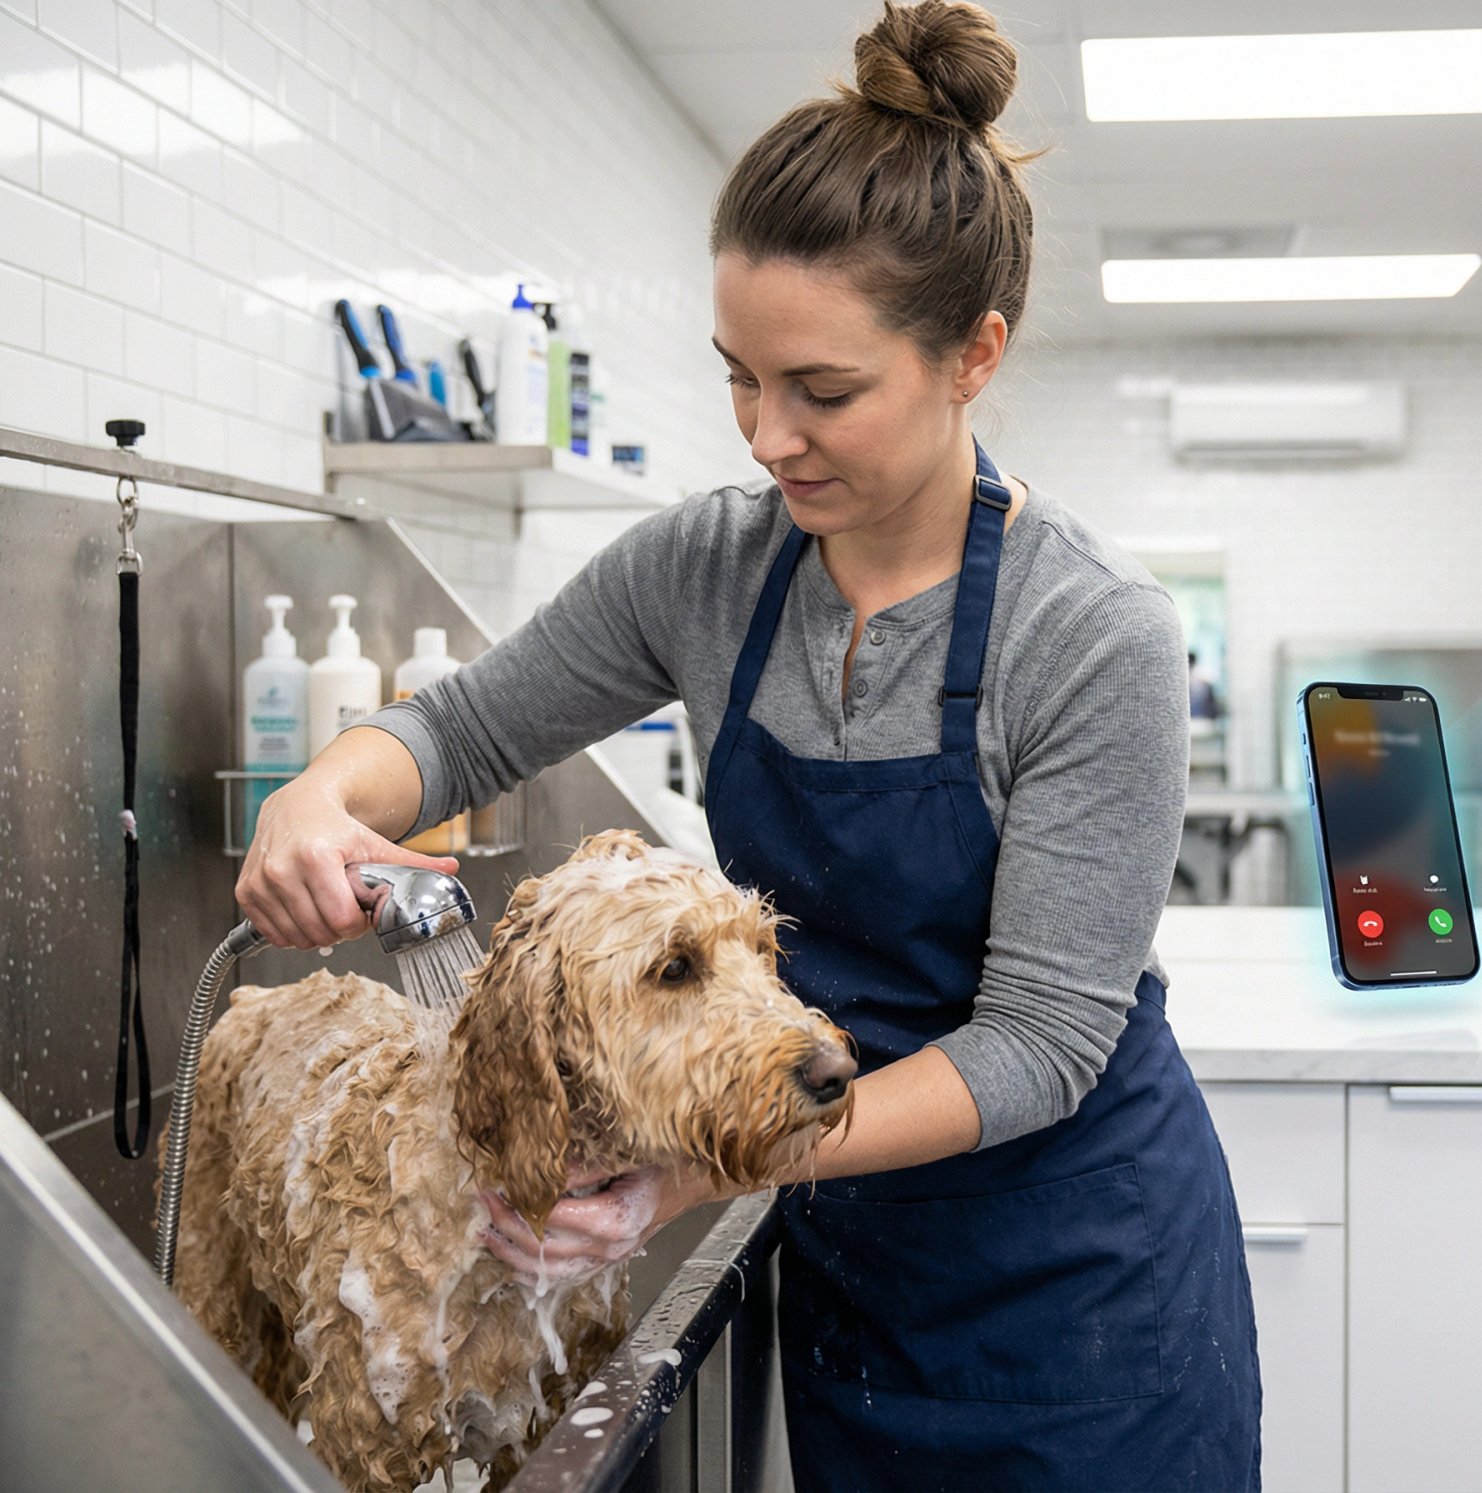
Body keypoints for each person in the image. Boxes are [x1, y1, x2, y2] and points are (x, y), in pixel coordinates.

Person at [234, 3, 1261, 1486]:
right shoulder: (708, 571)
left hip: (1082, 1286)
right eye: (741, 376)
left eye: (822, 391)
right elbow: (459, 727)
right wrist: (323, 791)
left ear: (974, 353)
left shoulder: (1091, 632)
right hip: (852, 1264)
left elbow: (1041, 1042)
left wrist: (690, 1173)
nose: (766, 436)